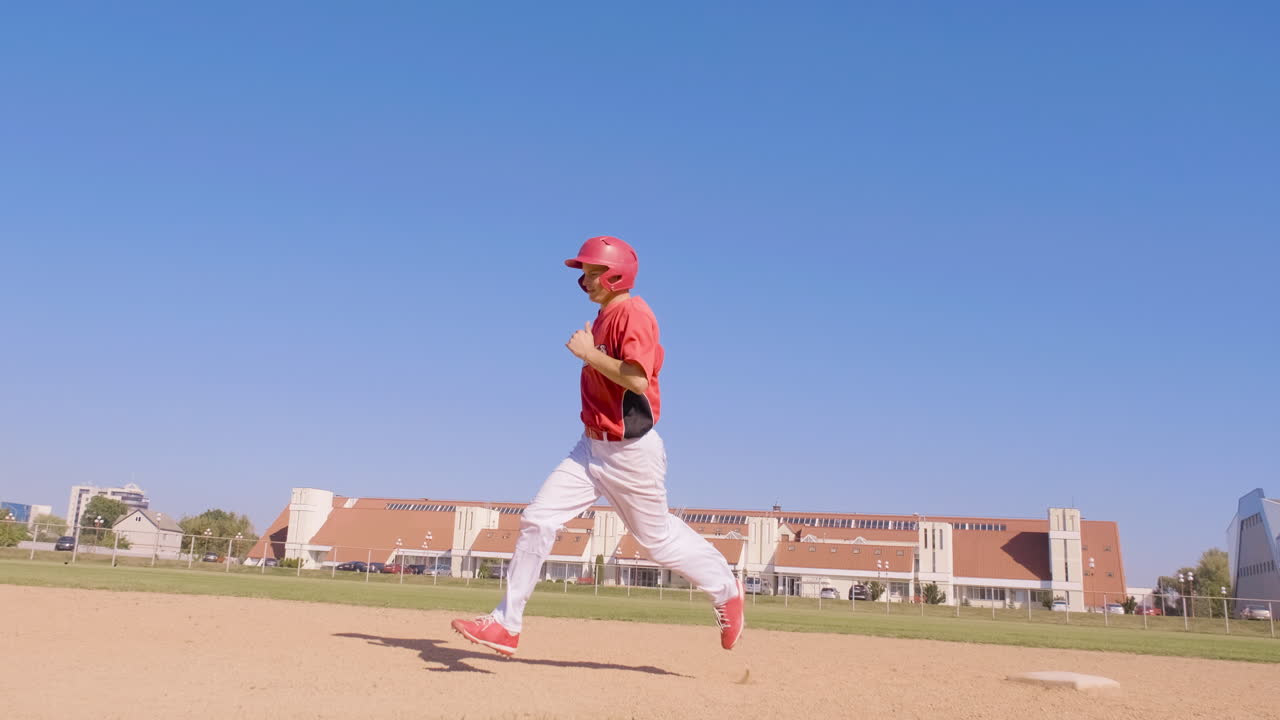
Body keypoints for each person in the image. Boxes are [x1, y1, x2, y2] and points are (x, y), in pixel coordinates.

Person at [450, 235, 745, 658]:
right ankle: (505, 624)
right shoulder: (606, 316)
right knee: (537, 519)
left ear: (616, 275)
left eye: (592, 273)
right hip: (590, 449)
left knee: (657, 540)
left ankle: (725, 588)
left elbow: (638, 380)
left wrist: (589, 355)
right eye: (583, 274)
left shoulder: (634, 313)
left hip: (630, 453)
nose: (585, 281)